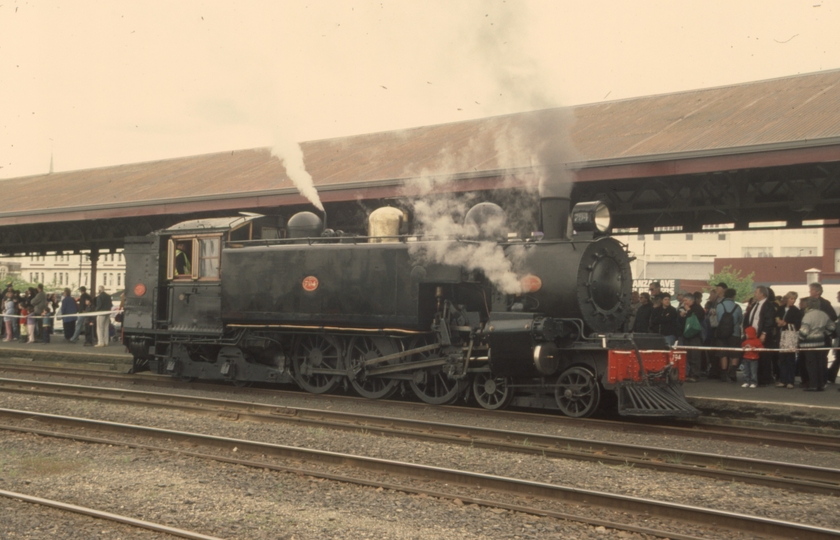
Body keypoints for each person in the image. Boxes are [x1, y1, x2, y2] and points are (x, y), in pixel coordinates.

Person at [799, 296, 836, 392]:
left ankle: (813, 385)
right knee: (820, 364)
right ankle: (821, 384)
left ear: (809, 305)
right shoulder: (823, 314)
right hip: (820, 342)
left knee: (811, 365)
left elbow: (804, 331)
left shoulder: (808, 316)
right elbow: (832, 327)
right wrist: (825, 332)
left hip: (809, 344)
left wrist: (800, 338)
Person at [744, 286, 777, 386]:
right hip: (752, 335)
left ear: (762, 294)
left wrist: (764, 333)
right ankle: (753, 378)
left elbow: (769, 321)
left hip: (761, 335)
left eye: (756, 292)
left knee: (763, 357)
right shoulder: (755, 304)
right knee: (753, 356)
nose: (755, 293)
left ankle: (763, 379)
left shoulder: (768, 306)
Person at [808, 283, 840, 384]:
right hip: (812, 336)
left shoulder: (825, 303)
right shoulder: (808, 302)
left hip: (822, 336)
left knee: (821, 357)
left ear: (818, 292)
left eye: (812, 290)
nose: (810, 292)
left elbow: (833, 317)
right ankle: (816, 379)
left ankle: (822, 378)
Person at [715, 288, 743, 382]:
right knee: (735, 353)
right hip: (734, 333)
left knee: (723, 353)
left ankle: (723, 373)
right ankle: (733, 371)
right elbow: (740, 320)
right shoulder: (737, 307)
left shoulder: (719, 305)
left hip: (722, 333)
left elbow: (718, 319)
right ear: (733, 296)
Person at [776, 292, 802, 389]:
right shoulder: (781, 309)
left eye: (794, 299)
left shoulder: (796, 311)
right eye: (791, 298)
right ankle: (783, 380)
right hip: (781, 336)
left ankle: (790, 380)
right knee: (782, 358)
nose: (792, 301)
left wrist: (785, 323)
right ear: (787, 299)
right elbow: (776, 317)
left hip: (790, 336)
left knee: (790, 359)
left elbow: (798, 324)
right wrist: (778, 322)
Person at [679, 293, 705, 381]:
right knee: (688, 356)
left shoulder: (697, 309)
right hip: (686, 334)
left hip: (695, 335)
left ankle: (695, 374)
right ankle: (689, 373)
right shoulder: (686, 309)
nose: (684, 303)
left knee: (695, 355)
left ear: (691, 300)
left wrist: (688, 311)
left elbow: (696, 319)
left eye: (686, 300)